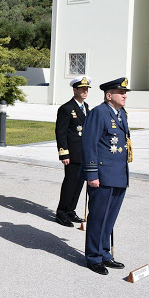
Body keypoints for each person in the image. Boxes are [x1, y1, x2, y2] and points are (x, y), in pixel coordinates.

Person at [82, 77, 132, 275]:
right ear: (109, 95)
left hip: (119, 174)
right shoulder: (98, 113)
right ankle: (93, 257)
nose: (125, 95)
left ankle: (104, 253)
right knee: (97, 218)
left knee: (109, 219)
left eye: (125, 92)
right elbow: (89, 144)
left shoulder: (121, 115)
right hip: (102, 175)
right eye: (121, 93)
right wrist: (92, 173)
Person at [54, 76, 91, 227]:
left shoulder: (86, 107)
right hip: (72, 153)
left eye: (87, 89)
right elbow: (60, 132)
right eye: (82, 88)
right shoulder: (66, 108)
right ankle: (61, 212)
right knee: (70, 183)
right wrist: (64, 153)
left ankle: (71, 210)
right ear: (74, 90)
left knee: (79, 183)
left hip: (84, 153)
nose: (85, 91)